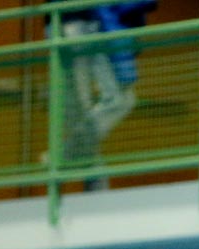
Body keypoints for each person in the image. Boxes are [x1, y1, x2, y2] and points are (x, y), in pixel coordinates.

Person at [50, 1, 155, 187]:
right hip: (78, 25)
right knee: (87, 112)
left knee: (107, 106)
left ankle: (69, 157)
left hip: (94, 25)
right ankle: (84, 175)